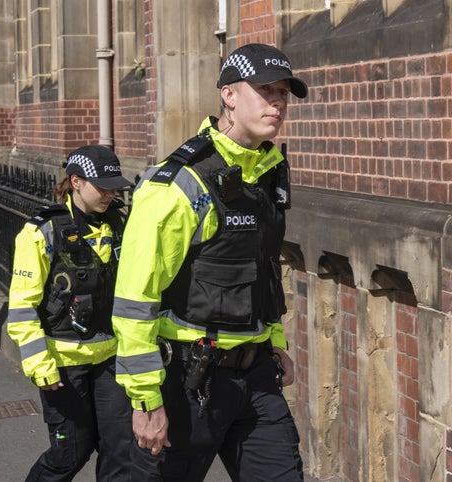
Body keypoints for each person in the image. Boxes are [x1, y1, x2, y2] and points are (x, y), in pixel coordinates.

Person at [111, 43, 307, 481]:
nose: (277, 102)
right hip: (187, 381)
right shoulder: (179, 184)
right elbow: (134, 301)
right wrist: (145, 401)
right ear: (229, 95)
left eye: (283, 93)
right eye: (265, 90)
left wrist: (274, 341)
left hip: (256, 377)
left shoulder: (266, 172)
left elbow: (261, 271)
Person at [7, 145, 135, 481]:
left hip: (112, 358)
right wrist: (38, 364)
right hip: (63, 365)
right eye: (102, 186)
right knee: (69, 455)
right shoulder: (41, 232)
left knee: (121, 449)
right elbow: (21, 307)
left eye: (114, 187)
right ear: (75, 181)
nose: (110, 194)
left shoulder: (120, 225)